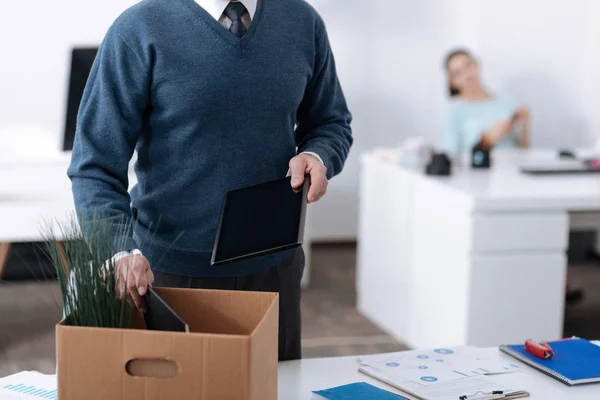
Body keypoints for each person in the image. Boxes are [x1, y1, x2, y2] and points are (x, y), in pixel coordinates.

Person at [67, 0, 353, 361]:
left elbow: (331, 123)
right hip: (167, 277)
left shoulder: (302, 21)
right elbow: (94, 165)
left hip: (273, 272)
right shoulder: (139, 28)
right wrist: (118, 249)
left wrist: (318, 155)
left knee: (276, 390)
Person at [442, 49, 530, 156]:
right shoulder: (453, 110)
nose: (467, 74)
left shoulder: (507, 101)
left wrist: (524, 126)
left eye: (468, 65)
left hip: (512, 169)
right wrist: (487, 140)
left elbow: (523, 153)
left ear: (477, 64)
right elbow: (451, 157)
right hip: (478, 171)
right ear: (452, 82)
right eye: (458, 73)